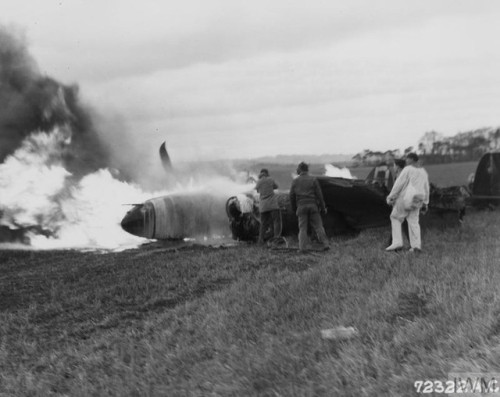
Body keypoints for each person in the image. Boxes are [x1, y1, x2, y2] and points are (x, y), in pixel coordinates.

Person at [386, 153, 429, 252]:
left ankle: (397, 243)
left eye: (407, 158)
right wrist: (426, 202)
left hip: (407, 199)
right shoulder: (422, 172)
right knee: (413, 222)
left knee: (395, 218)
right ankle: (416, 247)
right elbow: (426, 187)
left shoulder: (407, 170)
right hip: (418, 199)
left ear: (411, 159)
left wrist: (390, 197)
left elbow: (398, 184)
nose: (406, 160)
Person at [289, 162, 329, 252]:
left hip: (301, 207)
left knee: (302, 228)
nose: (297, 170)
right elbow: (319, 195)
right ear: (307, 169)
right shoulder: (313, 179)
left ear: (300, 169)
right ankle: (325, 244)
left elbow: (291, 196)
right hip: (313, 205)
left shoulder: (295, 181)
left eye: (298, 168)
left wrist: (294, 209)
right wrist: (323, 208)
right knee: (319, 226)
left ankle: (302, 248)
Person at [255, 168, 282, 245]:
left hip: (263, 206)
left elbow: (257, 190)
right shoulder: (270, 179)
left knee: (263, 224)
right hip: (273, 205)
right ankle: (277, 238)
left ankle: (260, 241)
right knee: (277, 221)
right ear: (267, 173)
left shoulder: (258, 182)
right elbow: (276, 187)